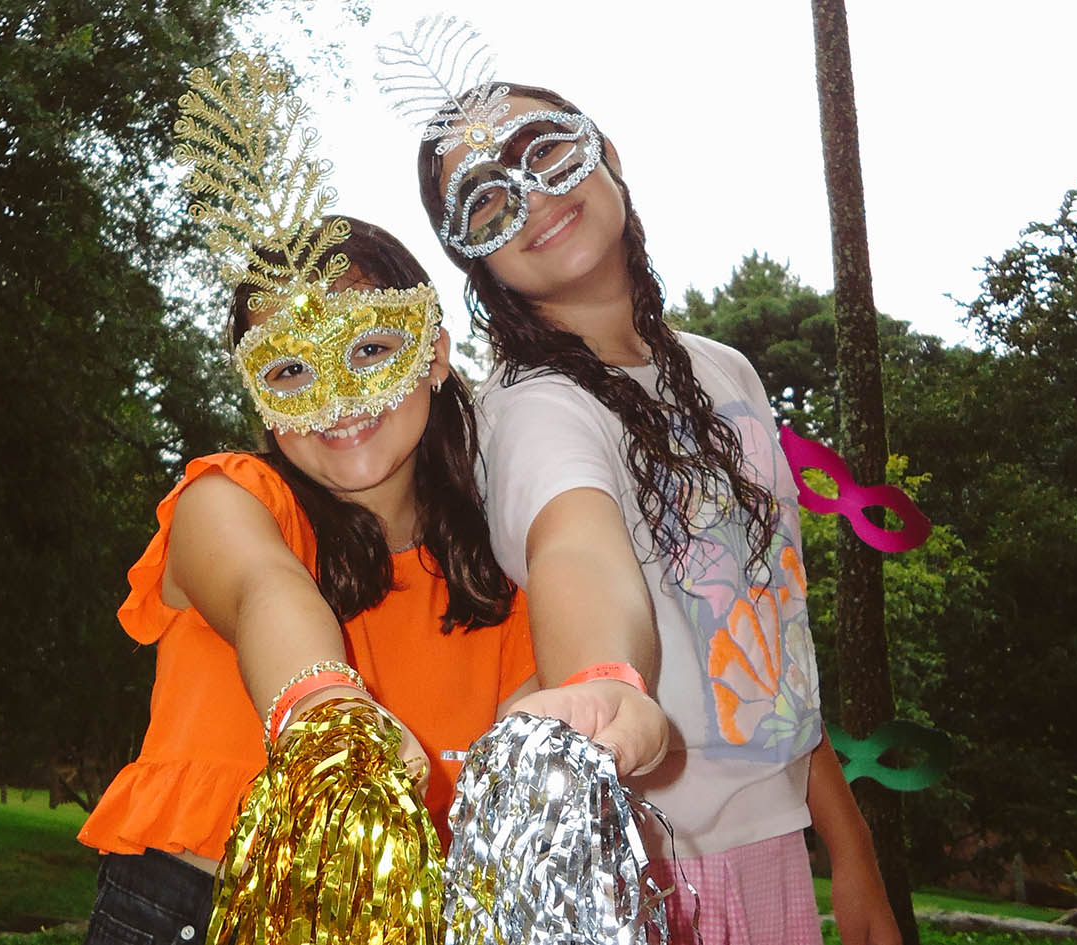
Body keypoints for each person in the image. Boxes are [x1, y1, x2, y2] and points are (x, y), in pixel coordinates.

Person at [413, 81, 901, 945]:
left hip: (775, 845)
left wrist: (847, 840)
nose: (530, 197)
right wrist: (604, 680)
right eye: (486, 200)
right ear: (474, 258)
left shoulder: (728, 374)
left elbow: (770, 632)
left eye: (544, 151)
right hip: (658, 868)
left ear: (606, 153)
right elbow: (577, 551)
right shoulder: (532, 410)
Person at [76, 214, 537, 945]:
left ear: (435, 353)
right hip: (191, 908)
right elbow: (263, 588)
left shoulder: (499, 582)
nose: (336, 395)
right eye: (291, 367)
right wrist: (325, 712)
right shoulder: (228, 501)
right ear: (260, 393)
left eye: (370, 347)